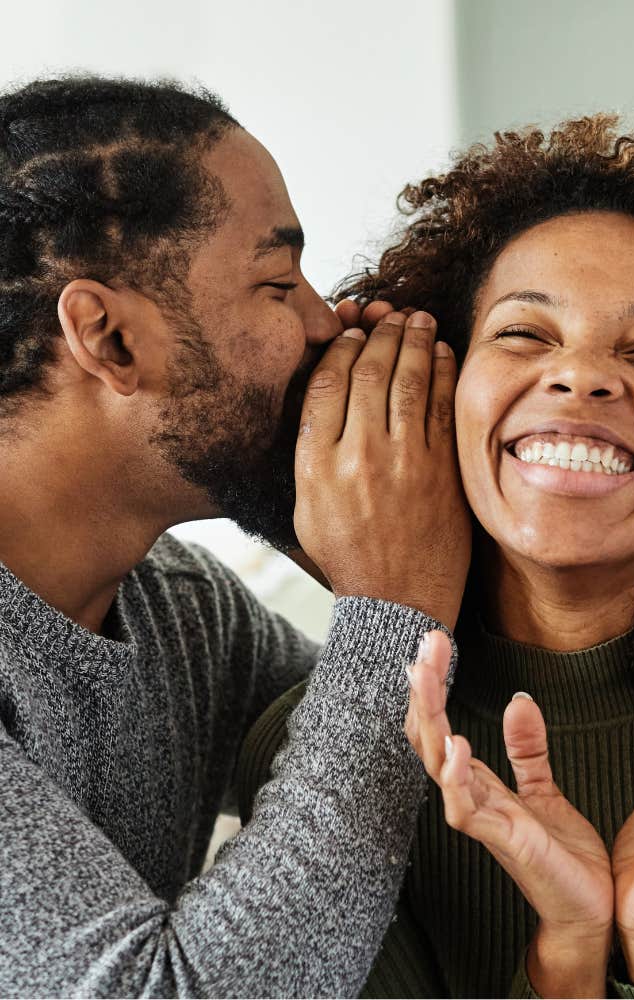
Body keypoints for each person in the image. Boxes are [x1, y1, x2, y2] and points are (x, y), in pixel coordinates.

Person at [241, 113, 634, 998]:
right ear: (442, 399)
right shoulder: (325, 754)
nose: (583, 377)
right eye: (526, 334)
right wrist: (566, 954)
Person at [0, 76, 471, 997]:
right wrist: (392, 605)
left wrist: (364, 535)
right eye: (276, 281)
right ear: (109, 338)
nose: (323, 322)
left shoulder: (180, 610)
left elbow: (428, 765)